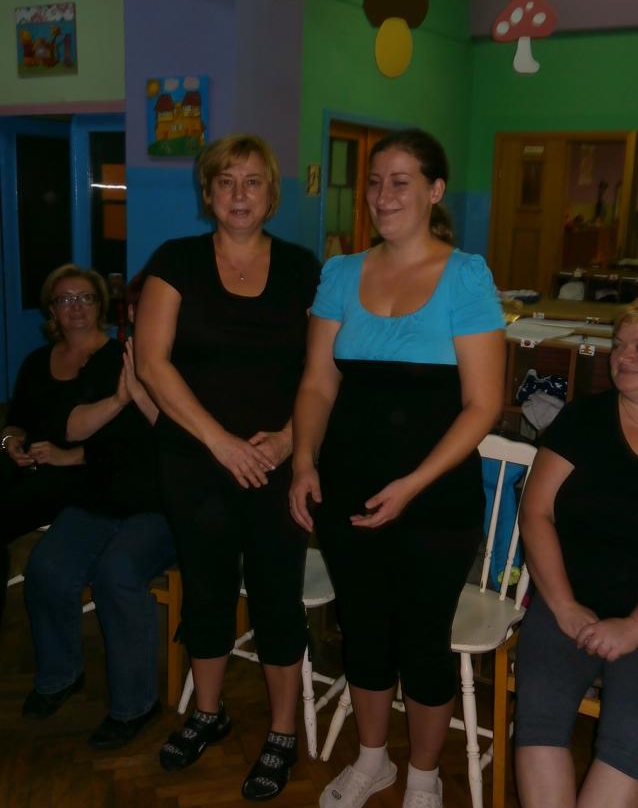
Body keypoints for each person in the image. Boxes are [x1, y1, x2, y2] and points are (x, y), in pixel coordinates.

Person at [289, 128, 505, 808]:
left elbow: (484, 404)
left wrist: (413, 484)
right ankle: (374, 760)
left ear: (435, 190)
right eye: (376, 182)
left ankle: (424, 776)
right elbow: (317, 383)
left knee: (423, 641)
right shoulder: (340, 273)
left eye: (401, 181)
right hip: (348, 486)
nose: (383, 195)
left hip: (434, 495)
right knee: (364, 630)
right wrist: (303, 460)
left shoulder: (465, 276)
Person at [134, 133, 320, 799]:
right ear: (207, 192)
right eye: (226, 181)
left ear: (271, 194)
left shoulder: (303, 268)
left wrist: (289, 440)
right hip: (196, 459)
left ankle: (282, 732)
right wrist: (220, 443)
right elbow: (152, 363)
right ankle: (208, 714)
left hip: (276, 462)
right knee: (207, 590)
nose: (239, 194)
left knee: (276, 597)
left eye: (253, 181)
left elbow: (325, 370)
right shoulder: (175, 261)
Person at [22, 316, 176, 748]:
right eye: (142, 308)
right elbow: (71, 428)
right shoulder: (109, 359)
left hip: (164, 505)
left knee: (117, 574)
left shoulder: (191, 362)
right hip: (102, 494)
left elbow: (192, 444)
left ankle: (135, 705)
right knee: (47, 568)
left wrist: (143, 396)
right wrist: (119, 398)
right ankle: (61, 675)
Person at [514, 307, 638, 808]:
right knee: (539, 718)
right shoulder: (584, 418)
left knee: (630, 736)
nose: (626, 355)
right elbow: (536, 512)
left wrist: (633, 627)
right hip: (567, 597)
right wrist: (564, 605)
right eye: (621, 344)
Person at [1, 264, 111, 623]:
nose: (75, 306)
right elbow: (15, 421)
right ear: (52, 310)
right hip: (29, 460)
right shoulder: (36, 361)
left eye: (85, 298)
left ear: (99, 305)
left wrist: (69, 455)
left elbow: (128, 443)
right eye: (64, 299)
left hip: (83, 471)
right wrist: (9, 442)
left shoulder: (119, 359)